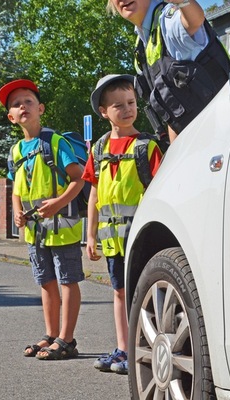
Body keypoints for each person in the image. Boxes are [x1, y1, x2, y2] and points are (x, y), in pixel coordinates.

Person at [82, 74, 163, 374]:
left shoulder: (146, 147)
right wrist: (90, 236)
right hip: (113, 241)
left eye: (131, 103)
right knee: (119, 293)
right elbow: (93, 194)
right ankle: (124, 349)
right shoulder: (99, 149)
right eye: (118, 105)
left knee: (144, 293)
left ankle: (145, 350)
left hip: (141, 239)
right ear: (104, 112)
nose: (128, 109)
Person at [0, 78, 85, 360]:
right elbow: (15, 188)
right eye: (16, 104)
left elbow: (78, 179)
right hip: (36, 232)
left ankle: (67, 339)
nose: (22, 106)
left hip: (63, 228)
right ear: (11, 117)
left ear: (41, 109)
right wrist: (16, 212)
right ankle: (50, 335)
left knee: (67, 280)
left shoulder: (54, 142)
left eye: (28, 101)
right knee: (46, 281)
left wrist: (59, 202)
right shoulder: (15, 151)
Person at [107, 0, 230, 145]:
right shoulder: (141, 46)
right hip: (201, 145)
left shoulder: (168, 18)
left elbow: (193, 22)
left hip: (228, 133)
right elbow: (175, 111)